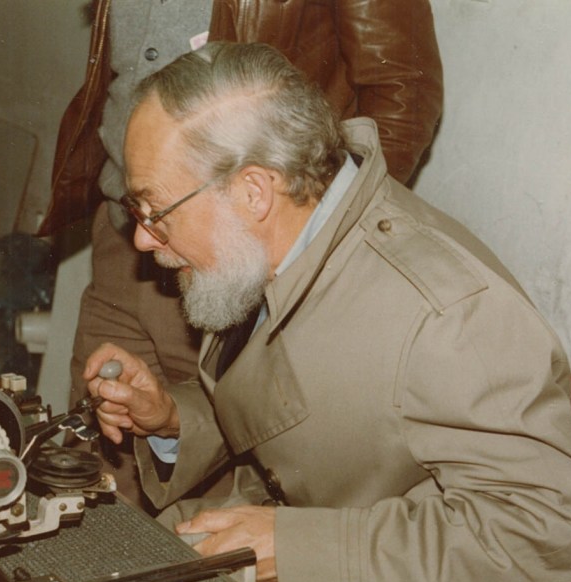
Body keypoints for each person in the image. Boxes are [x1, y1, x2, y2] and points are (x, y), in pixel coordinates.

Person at [82, 42, 571, 582]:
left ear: (254, 191)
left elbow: (556, 526)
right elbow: (300, 410)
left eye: (155, 209)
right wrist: (176, 419)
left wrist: (302, 552)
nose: (144, 241)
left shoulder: (444, 315)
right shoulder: (276, 244)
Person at [39, 0, 444, 507]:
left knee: (226, 492)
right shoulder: (138, 230)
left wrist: (318, 238)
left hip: (237, 247)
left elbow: (405, 87)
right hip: (126, 227)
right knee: (106, 460)